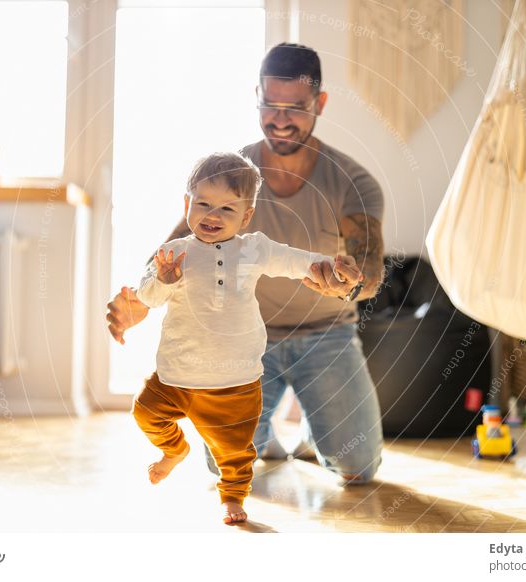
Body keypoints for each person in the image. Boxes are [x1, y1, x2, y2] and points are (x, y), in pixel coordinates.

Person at [108, 42, 385, 486]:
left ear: (320, 103)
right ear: (256, 95)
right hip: (237, 344)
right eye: (269, 105)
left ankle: (317, 429)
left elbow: (370, 269)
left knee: (359, 468)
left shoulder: (353, 182)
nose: (280, 119)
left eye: (295, 107)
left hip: (327, 337)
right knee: (222, 466)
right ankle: (267, 436)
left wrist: (349, 284)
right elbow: (173, 248)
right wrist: (141, 298)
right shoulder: (231, 176)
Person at [128, 152, 363, 524]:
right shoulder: (174, 253)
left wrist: (331, 266)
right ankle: (174, 450)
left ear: (246, 216)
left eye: (227, 209)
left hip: (235, 379)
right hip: (175, 376)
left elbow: (296, 260)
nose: (212, 215)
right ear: (187, 204)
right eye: (203, 204)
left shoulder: (253, 248)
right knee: (145, 413)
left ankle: (233, 498)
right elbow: (146, 298)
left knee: (235, 452)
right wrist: (162, 281)